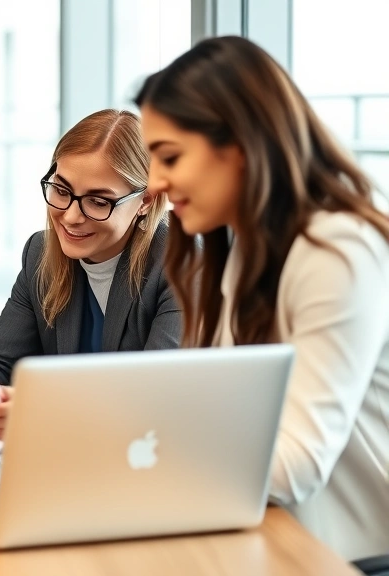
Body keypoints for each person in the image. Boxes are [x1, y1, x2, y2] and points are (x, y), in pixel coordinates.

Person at [136, 36, 389, 562]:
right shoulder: (243, 249)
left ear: (243, 145)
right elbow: (212, 414)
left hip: (342, 554)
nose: (155, 182)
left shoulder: (337, 249)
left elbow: (293, 465)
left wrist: (119, 427)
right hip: (261, 535)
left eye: (170, 157)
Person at [0, 109, 180, 440]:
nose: (69, 217)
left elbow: (153, 398)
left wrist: (36, 414)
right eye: (62, 191)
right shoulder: (40, 255)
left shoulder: (181, 261)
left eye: (97, 201)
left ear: (145, 200)